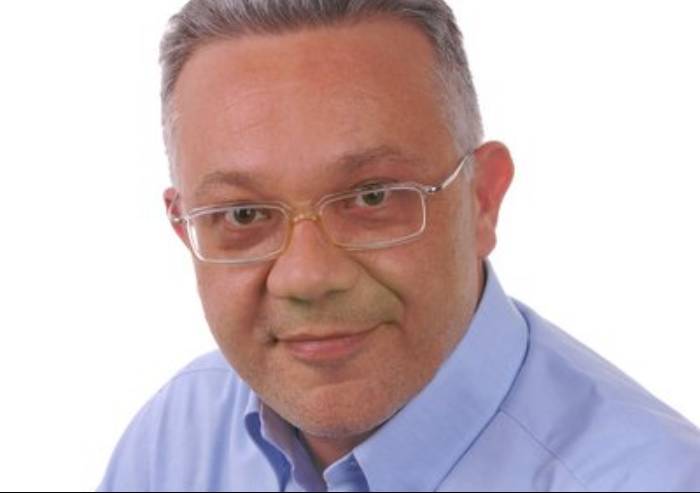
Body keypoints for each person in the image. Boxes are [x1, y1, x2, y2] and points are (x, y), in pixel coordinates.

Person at [99, 1, 700, 491]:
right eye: (244, 214)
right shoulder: (174, 443)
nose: (308, 277)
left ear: (482, 200)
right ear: (185, 230)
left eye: (372, 198)